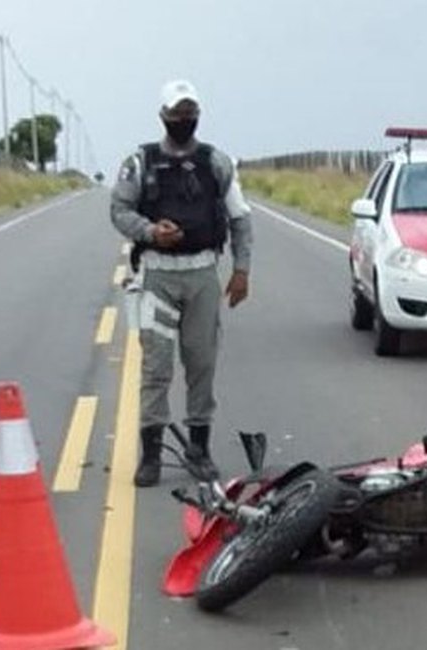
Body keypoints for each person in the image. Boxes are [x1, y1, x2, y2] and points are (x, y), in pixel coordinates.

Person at [110, 80, 253, 487]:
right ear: (162, 117)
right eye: (176, 114)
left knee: (201, 363)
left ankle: (198, 449)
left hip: (203, 273)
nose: (183, 121)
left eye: (190, 114)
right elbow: (119, 209)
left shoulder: (217, 163)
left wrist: (241, 270)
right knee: (156, 366)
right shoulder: (140, 163)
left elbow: (240, 219)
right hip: (157, 273)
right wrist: (151, 231)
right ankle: (151, 454)